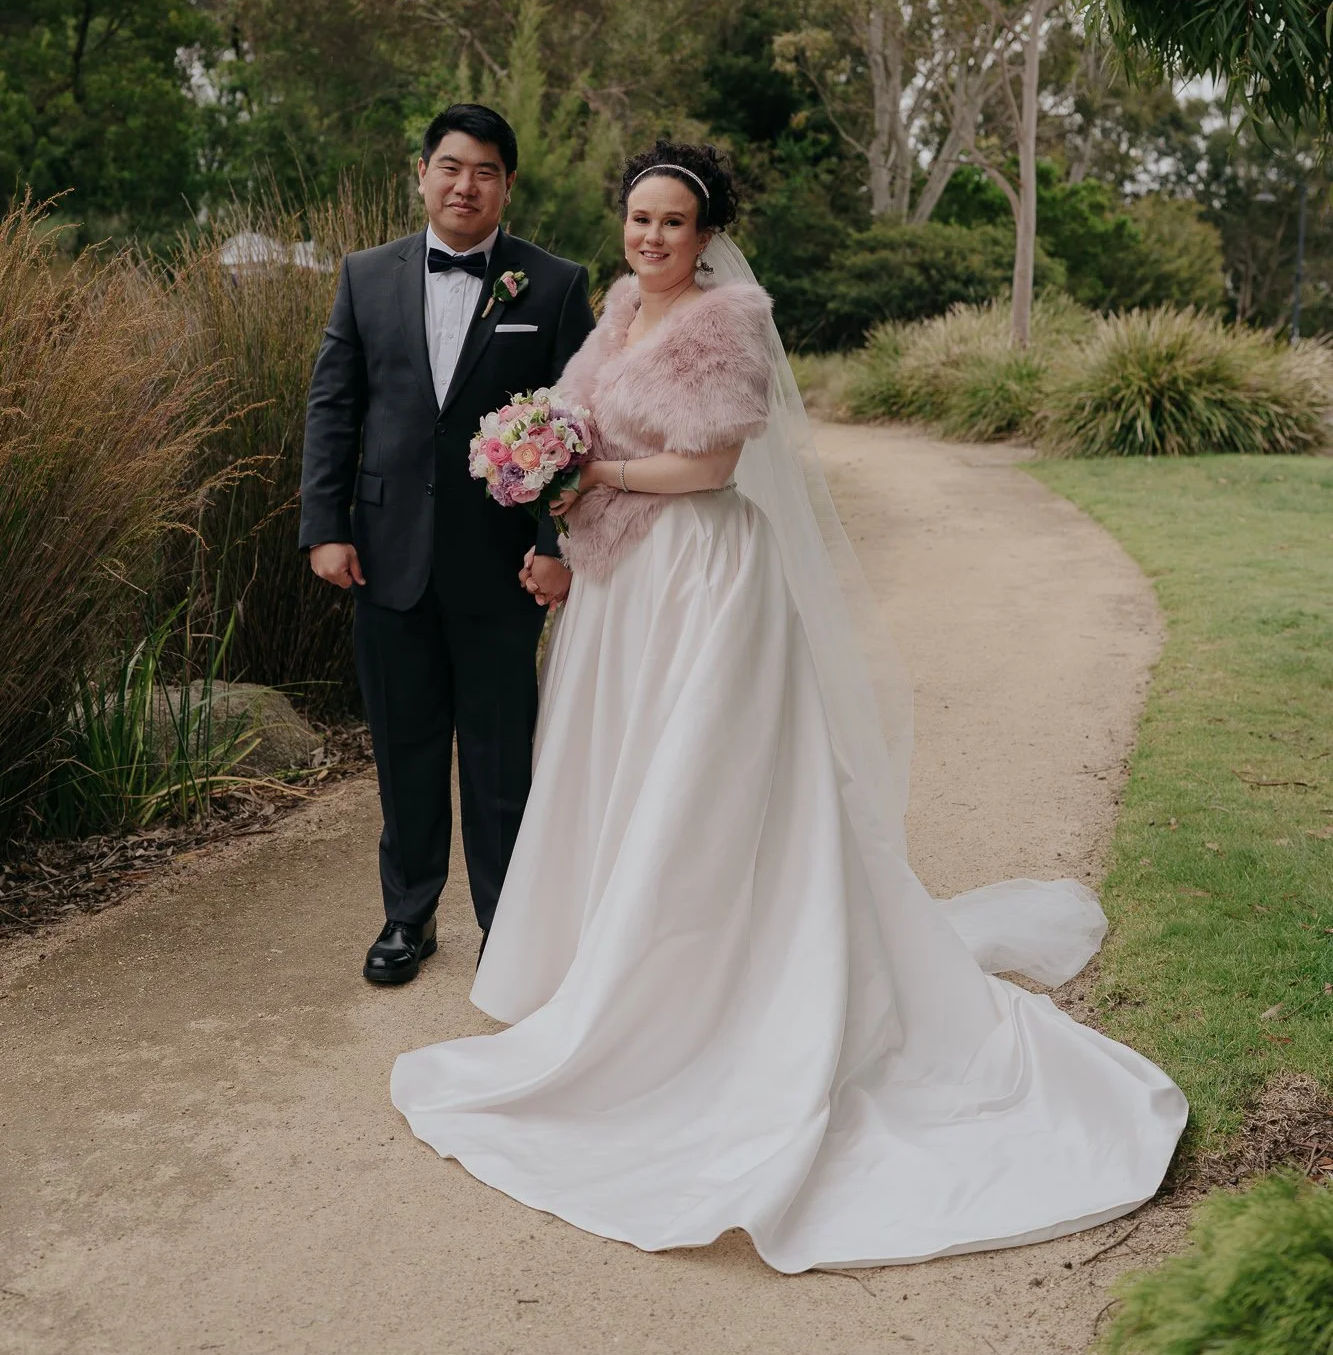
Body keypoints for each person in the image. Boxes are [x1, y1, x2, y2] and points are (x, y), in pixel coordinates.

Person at [389, 138, 1189, 1272]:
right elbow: (578, 428)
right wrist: (553, 487)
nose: (651, 237)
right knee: (624, 766)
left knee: (700, 780)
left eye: (672, 222)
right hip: (623, 583)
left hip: (700, 576)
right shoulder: (614, 311)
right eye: (637, 218)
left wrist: (593, 475)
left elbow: (708, 469)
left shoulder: (729, 322)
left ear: (706, 233)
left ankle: (706, 995)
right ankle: (615, 972)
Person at [298, 104, 595, 985]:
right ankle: (407, 917)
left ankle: (509, 926)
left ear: (508, 185)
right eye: (452, 167)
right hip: (383, 557)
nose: (466, 185)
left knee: (502, 757)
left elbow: (578, 427)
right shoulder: (364, 275)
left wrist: (556, 543)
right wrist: (325, 526)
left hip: (503, 563)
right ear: (422, 172)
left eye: (487, 171)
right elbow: (334, 407)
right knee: (404, 748)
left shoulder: (551, 284)